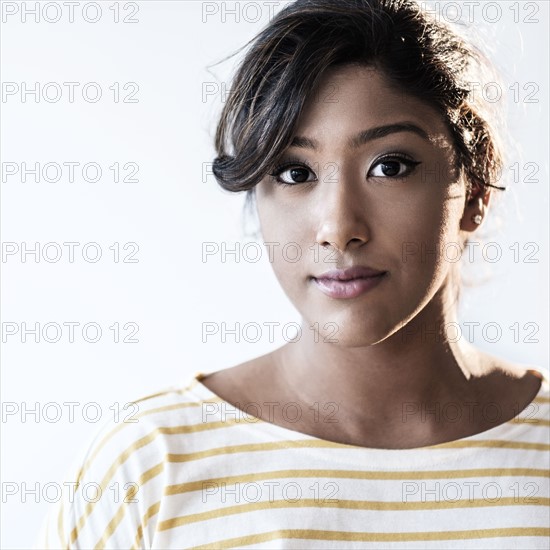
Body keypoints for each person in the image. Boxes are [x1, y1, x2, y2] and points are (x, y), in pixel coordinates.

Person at [37, 0, 549, 548]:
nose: (338, 227)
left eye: (389, 166)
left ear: (474, 188)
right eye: (293, 171)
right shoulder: (149, 467)